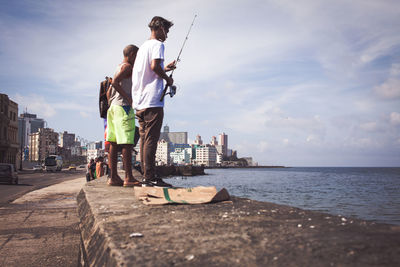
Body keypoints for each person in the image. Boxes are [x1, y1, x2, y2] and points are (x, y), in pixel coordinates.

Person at [132, 16, 176, 187]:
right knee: (151, 139)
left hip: (140, 101)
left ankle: (146, 176)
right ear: (159, 28)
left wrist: (164, 68)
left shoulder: (143, 47)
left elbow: (149, 69)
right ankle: (150, 177)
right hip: (152, 101)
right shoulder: (158, 45)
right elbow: (154, 67)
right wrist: (168, 79)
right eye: (167, 30)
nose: (167, 34)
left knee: (144, 140)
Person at [106, 44, 141, 187]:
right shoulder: (127, 67)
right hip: (123, 107)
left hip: (113, 108)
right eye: (137, 56)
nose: (138, 59)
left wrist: (112, 103)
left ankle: (113, 177)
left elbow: (109, 90)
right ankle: (129, 177)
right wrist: (129, 99)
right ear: (132, 54)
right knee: (127, 142)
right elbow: (114, 83)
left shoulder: (118, 66)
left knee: (113, 142)